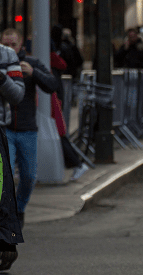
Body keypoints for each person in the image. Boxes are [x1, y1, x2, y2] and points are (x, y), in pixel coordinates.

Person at [2, 28, 61, 227]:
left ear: (21, 45)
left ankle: (19, 208)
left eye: (13, 44)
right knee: (6, 174)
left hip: (27, 128)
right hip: (5, 129)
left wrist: (33, 73)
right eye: (5, 45)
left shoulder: (30, 63)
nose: (10, 48)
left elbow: (52, 85)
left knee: (28, 176)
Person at [0, 33, 27, 272]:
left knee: (2, 192)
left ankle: (6, 241)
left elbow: (17, 95)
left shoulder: (6, 55)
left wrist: (1, 78)